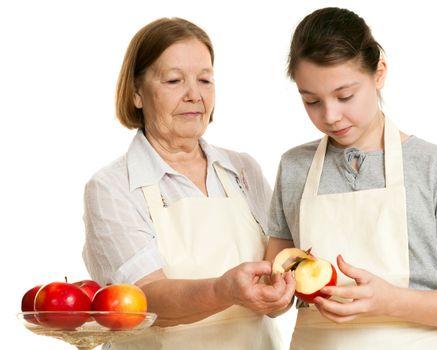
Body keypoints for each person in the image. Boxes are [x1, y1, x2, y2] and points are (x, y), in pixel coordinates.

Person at [265, 7, 437, 349]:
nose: (330, 115)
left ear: (379, 73)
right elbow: (275, 289)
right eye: (311, 101)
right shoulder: (294, 166)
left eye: (345, 96)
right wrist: (270, 295)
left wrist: (388, 300)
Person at [82, 17, 294, 349]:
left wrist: (281, 294)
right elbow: (141, 301)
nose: (194, 95)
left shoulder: (243, 170)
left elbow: (276, 276)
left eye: (205, 80)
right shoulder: (111, 187)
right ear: (137, 92)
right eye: (174, 80)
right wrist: (224, 291)